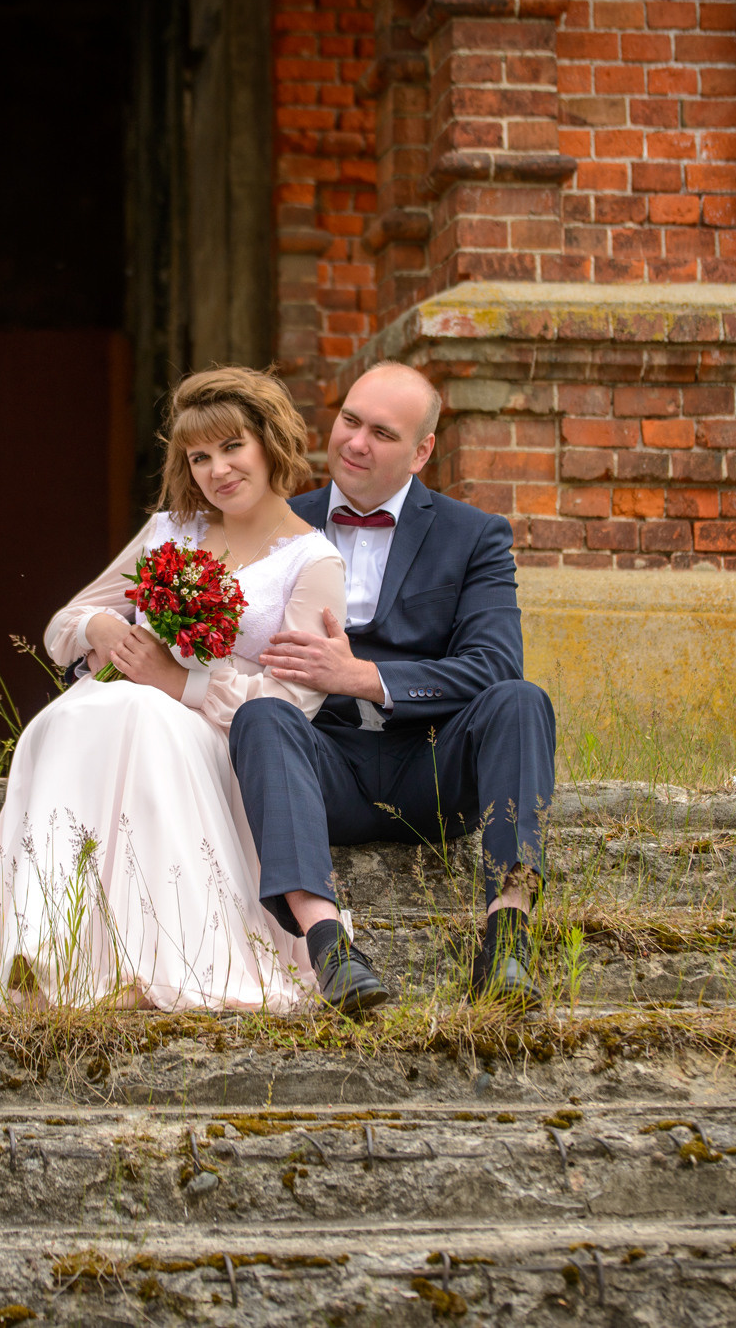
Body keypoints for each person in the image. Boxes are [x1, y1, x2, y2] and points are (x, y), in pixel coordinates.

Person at [0, 368, 345, 1012]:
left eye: (232, 447)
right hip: (117, 701)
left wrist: (181, 681)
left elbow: (291, 706)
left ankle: (154, 956)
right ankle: (57, 948)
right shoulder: (168, 531)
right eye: (199, 457)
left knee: (140, 716)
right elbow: (62, 626)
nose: (218, 470)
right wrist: (101, 624)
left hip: (217, 739)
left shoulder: (312, 561)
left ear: (270, 443)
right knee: (71, 719)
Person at [237, 360, 557, 1014]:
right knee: (262, 714)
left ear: (422, 451)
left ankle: (509, 936)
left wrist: (361, 676)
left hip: (434, 766)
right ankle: (328, 946)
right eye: (349, 420)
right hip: (323, 771)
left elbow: (494, 663)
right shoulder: (271, 525)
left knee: (521, 699)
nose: (355, 442)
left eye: (382, 433)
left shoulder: (475, 536)